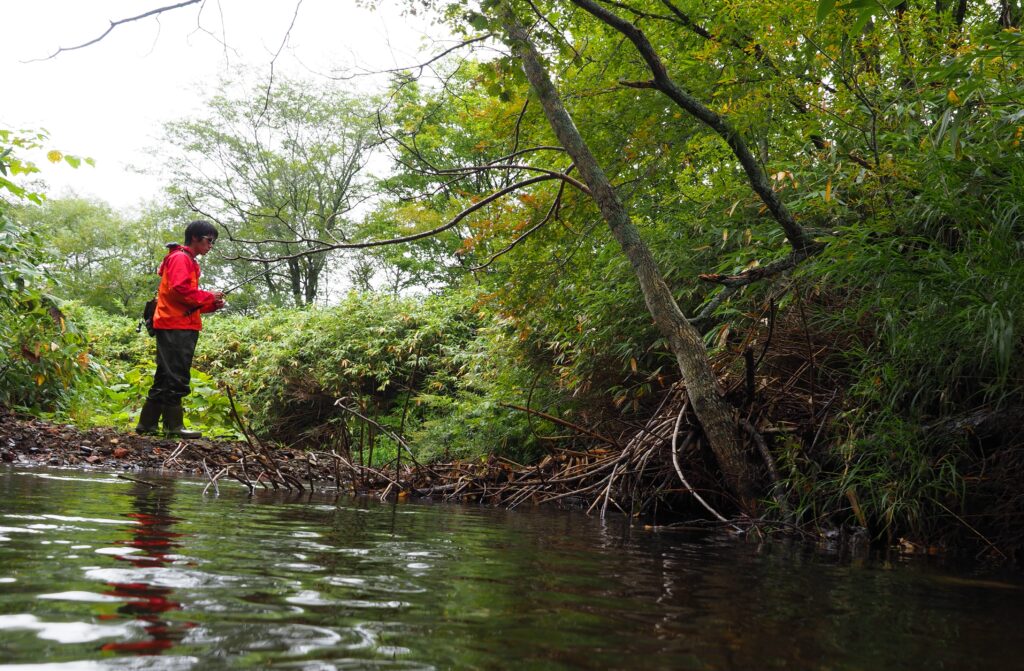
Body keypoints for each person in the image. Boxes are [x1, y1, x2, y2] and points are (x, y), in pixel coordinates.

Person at [135, 220, 225, 438]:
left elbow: (185, 301)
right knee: (176, 376)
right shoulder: (180, 258)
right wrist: (208, 296)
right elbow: (179, 290)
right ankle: (173, 427)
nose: (211, 246)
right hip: (176, 326)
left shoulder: (185, 260)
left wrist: (212, 303)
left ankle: (147, 425)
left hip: (177, 323)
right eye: (209, 240)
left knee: (165, 375)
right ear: (195, 237)